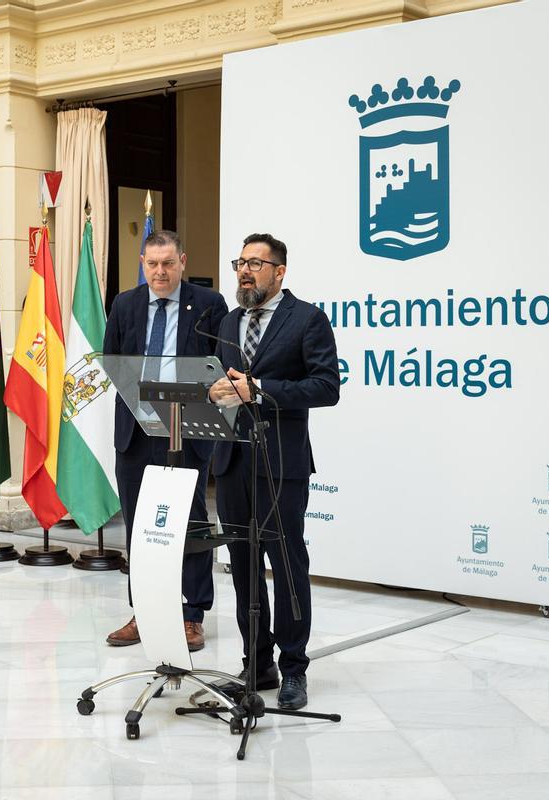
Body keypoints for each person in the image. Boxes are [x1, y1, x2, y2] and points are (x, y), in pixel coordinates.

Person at [208, 232, 340, 710]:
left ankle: (294, 670)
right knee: (243, 567)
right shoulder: (226, 322)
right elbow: (221, 383)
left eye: (255, 264)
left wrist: (259, 388)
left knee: (286, 568)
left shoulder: (306, 319)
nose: (244, 271)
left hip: (281, 464)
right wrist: (214, 392)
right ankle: (256, 663)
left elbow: (327, 387)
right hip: (233, 462)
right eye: (240, 262)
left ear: (279, 272)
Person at [103, 229, 228, 652]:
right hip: (136, 432)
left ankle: (193, 615)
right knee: (140, 525)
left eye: (168, 263)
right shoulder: (125, 304)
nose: (160, 271)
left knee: (190, 521)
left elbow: (220, 367)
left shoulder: (209, 306)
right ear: (143, 263)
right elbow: (113, 360)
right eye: (152, 264)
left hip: (187, 431)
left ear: (182, 262)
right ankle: (146, 612)